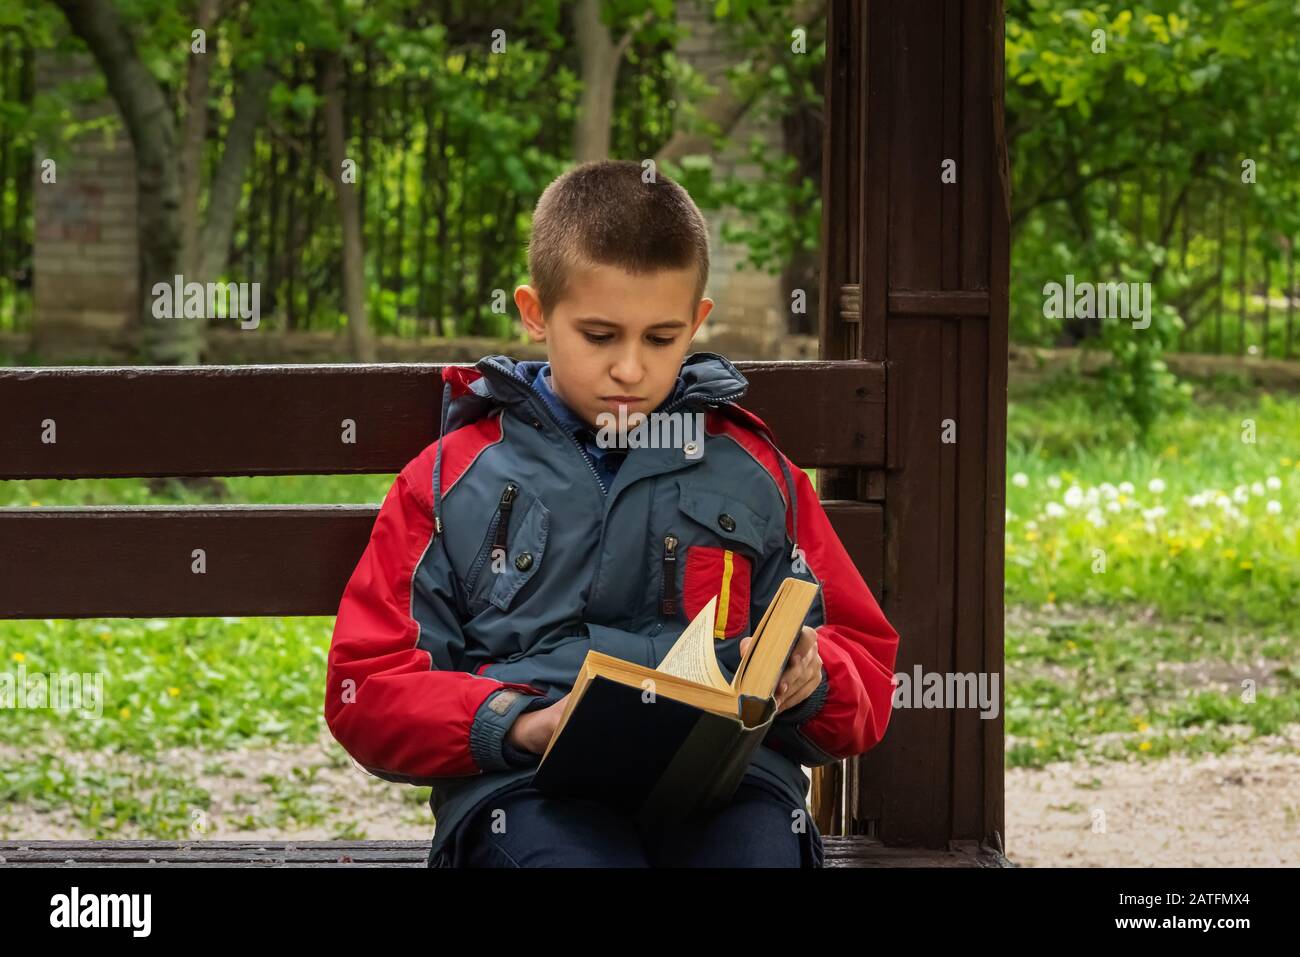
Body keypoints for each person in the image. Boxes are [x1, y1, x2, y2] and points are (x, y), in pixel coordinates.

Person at [323, 159, 900, 867]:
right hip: (526, 790)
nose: (631, 369)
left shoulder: (754, 470)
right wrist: (520, 724)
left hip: (730, 785)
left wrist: (814, 679)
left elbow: (864, 661)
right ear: (535, 312)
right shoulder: (451, 477)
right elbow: (369, 687)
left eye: (661, 338)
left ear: (697, 322)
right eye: (600, 336)